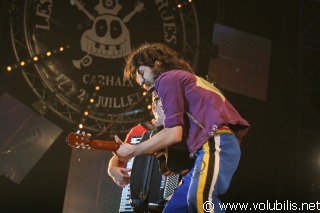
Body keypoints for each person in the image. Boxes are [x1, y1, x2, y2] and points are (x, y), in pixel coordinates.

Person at [114, 43, 250, 213]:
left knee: (200, 198)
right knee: (175, 209)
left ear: (156, 64)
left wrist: (135, 150)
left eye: (141, 72)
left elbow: (173, 133)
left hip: (216, 142)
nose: (141, 81)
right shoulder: (181, 78)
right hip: (208, 147)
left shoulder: (166, 79)